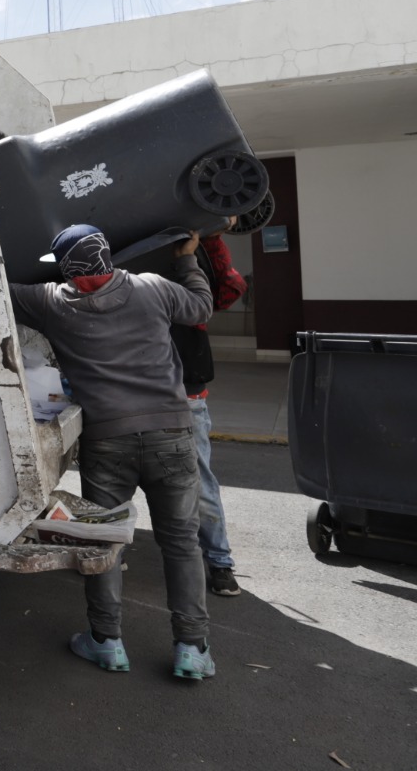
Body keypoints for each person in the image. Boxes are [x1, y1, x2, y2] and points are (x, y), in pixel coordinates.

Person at [9, 224, 217, 680]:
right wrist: (186, 260)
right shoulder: (153, 288)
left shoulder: (51, 301)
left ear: (68, 271)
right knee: (181, 544)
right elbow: (202, 305)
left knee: (104, 541)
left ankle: (106, 642)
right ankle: (192, 649)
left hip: (107, 441)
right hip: (171, 434)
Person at [168, 220, 249, 597]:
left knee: (115, 476)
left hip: (155, 388)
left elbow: (226, 292)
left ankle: (219, 561)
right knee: (198, 481)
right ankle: (219, 564)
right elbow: (229, 290)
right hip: (185, 387)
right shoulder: (191, 253)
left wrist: (212, 238)